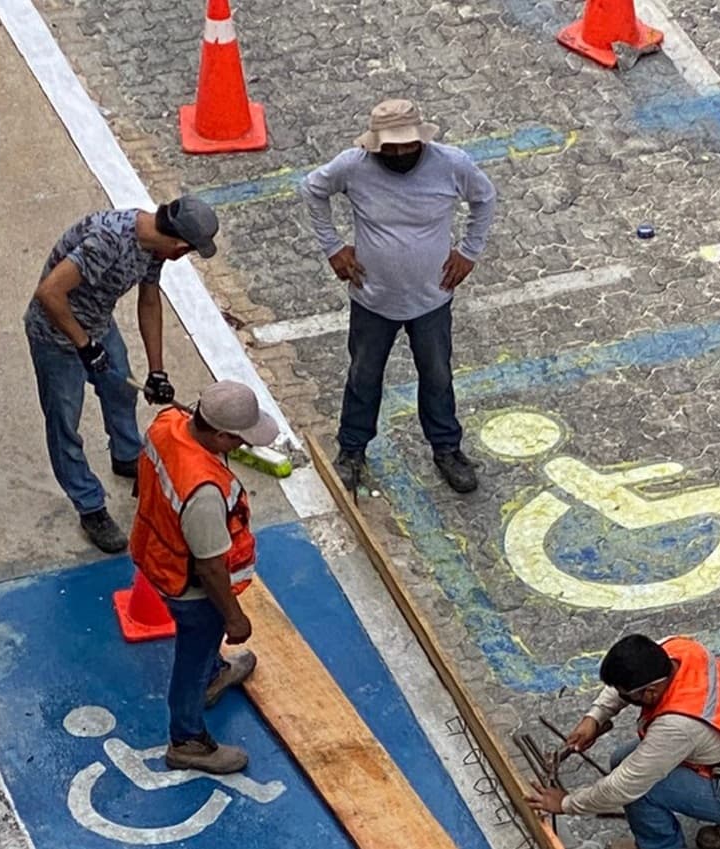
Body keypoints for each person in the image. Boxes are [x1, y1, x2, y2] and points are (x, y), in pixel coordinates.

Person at [299, 98, 497, 494]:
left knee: (438, 375)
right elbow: (312, 189)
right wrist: (333, 247)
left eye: (410, 145)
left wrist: (470, 252)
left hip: (432, 300)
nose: (403, 152)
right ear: (376, 145)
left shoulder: (451, 164)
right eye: (393, 147)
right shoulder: (353, 166)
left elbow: (485, 199)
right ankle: (352, 451)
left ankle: (447, 449)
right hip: (373, 300)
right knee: (363, 376)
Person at [24, 196, 219, 553]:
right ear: (179, 247)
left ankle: (127, 454)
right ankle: (89, 504)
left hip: (98, 324)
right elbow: (49, 293)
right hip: (56, 336)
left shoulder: (153, 249)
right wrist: (84, 345)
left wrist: (157, 370)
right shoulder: (108, 241)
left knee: (121, 390)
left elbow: (149, 300)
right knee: (64, 421)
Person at [128, 380, 278, 774]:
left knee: (201, 654)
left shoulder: (167, 424)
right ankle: (188, 740)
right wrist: (233, 617)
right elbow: (211, 568)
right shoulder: (204, 492)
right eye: (239, 441)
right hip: (191, 589)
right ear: (221, 433)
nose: (242, 448)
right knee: (192, 658)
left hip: (157, 555)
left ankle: (214, 674)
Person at [527, 635, 720, 849]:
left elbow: (623, 787)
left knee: (642, 791)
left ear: (650, 692)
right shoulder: (675, 650)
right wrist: (595, 717)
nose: (622, 697)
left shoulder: (677, 726)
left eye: (627, 695)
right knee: (621, 760)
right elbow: (624, 687)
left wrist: (565, 804)